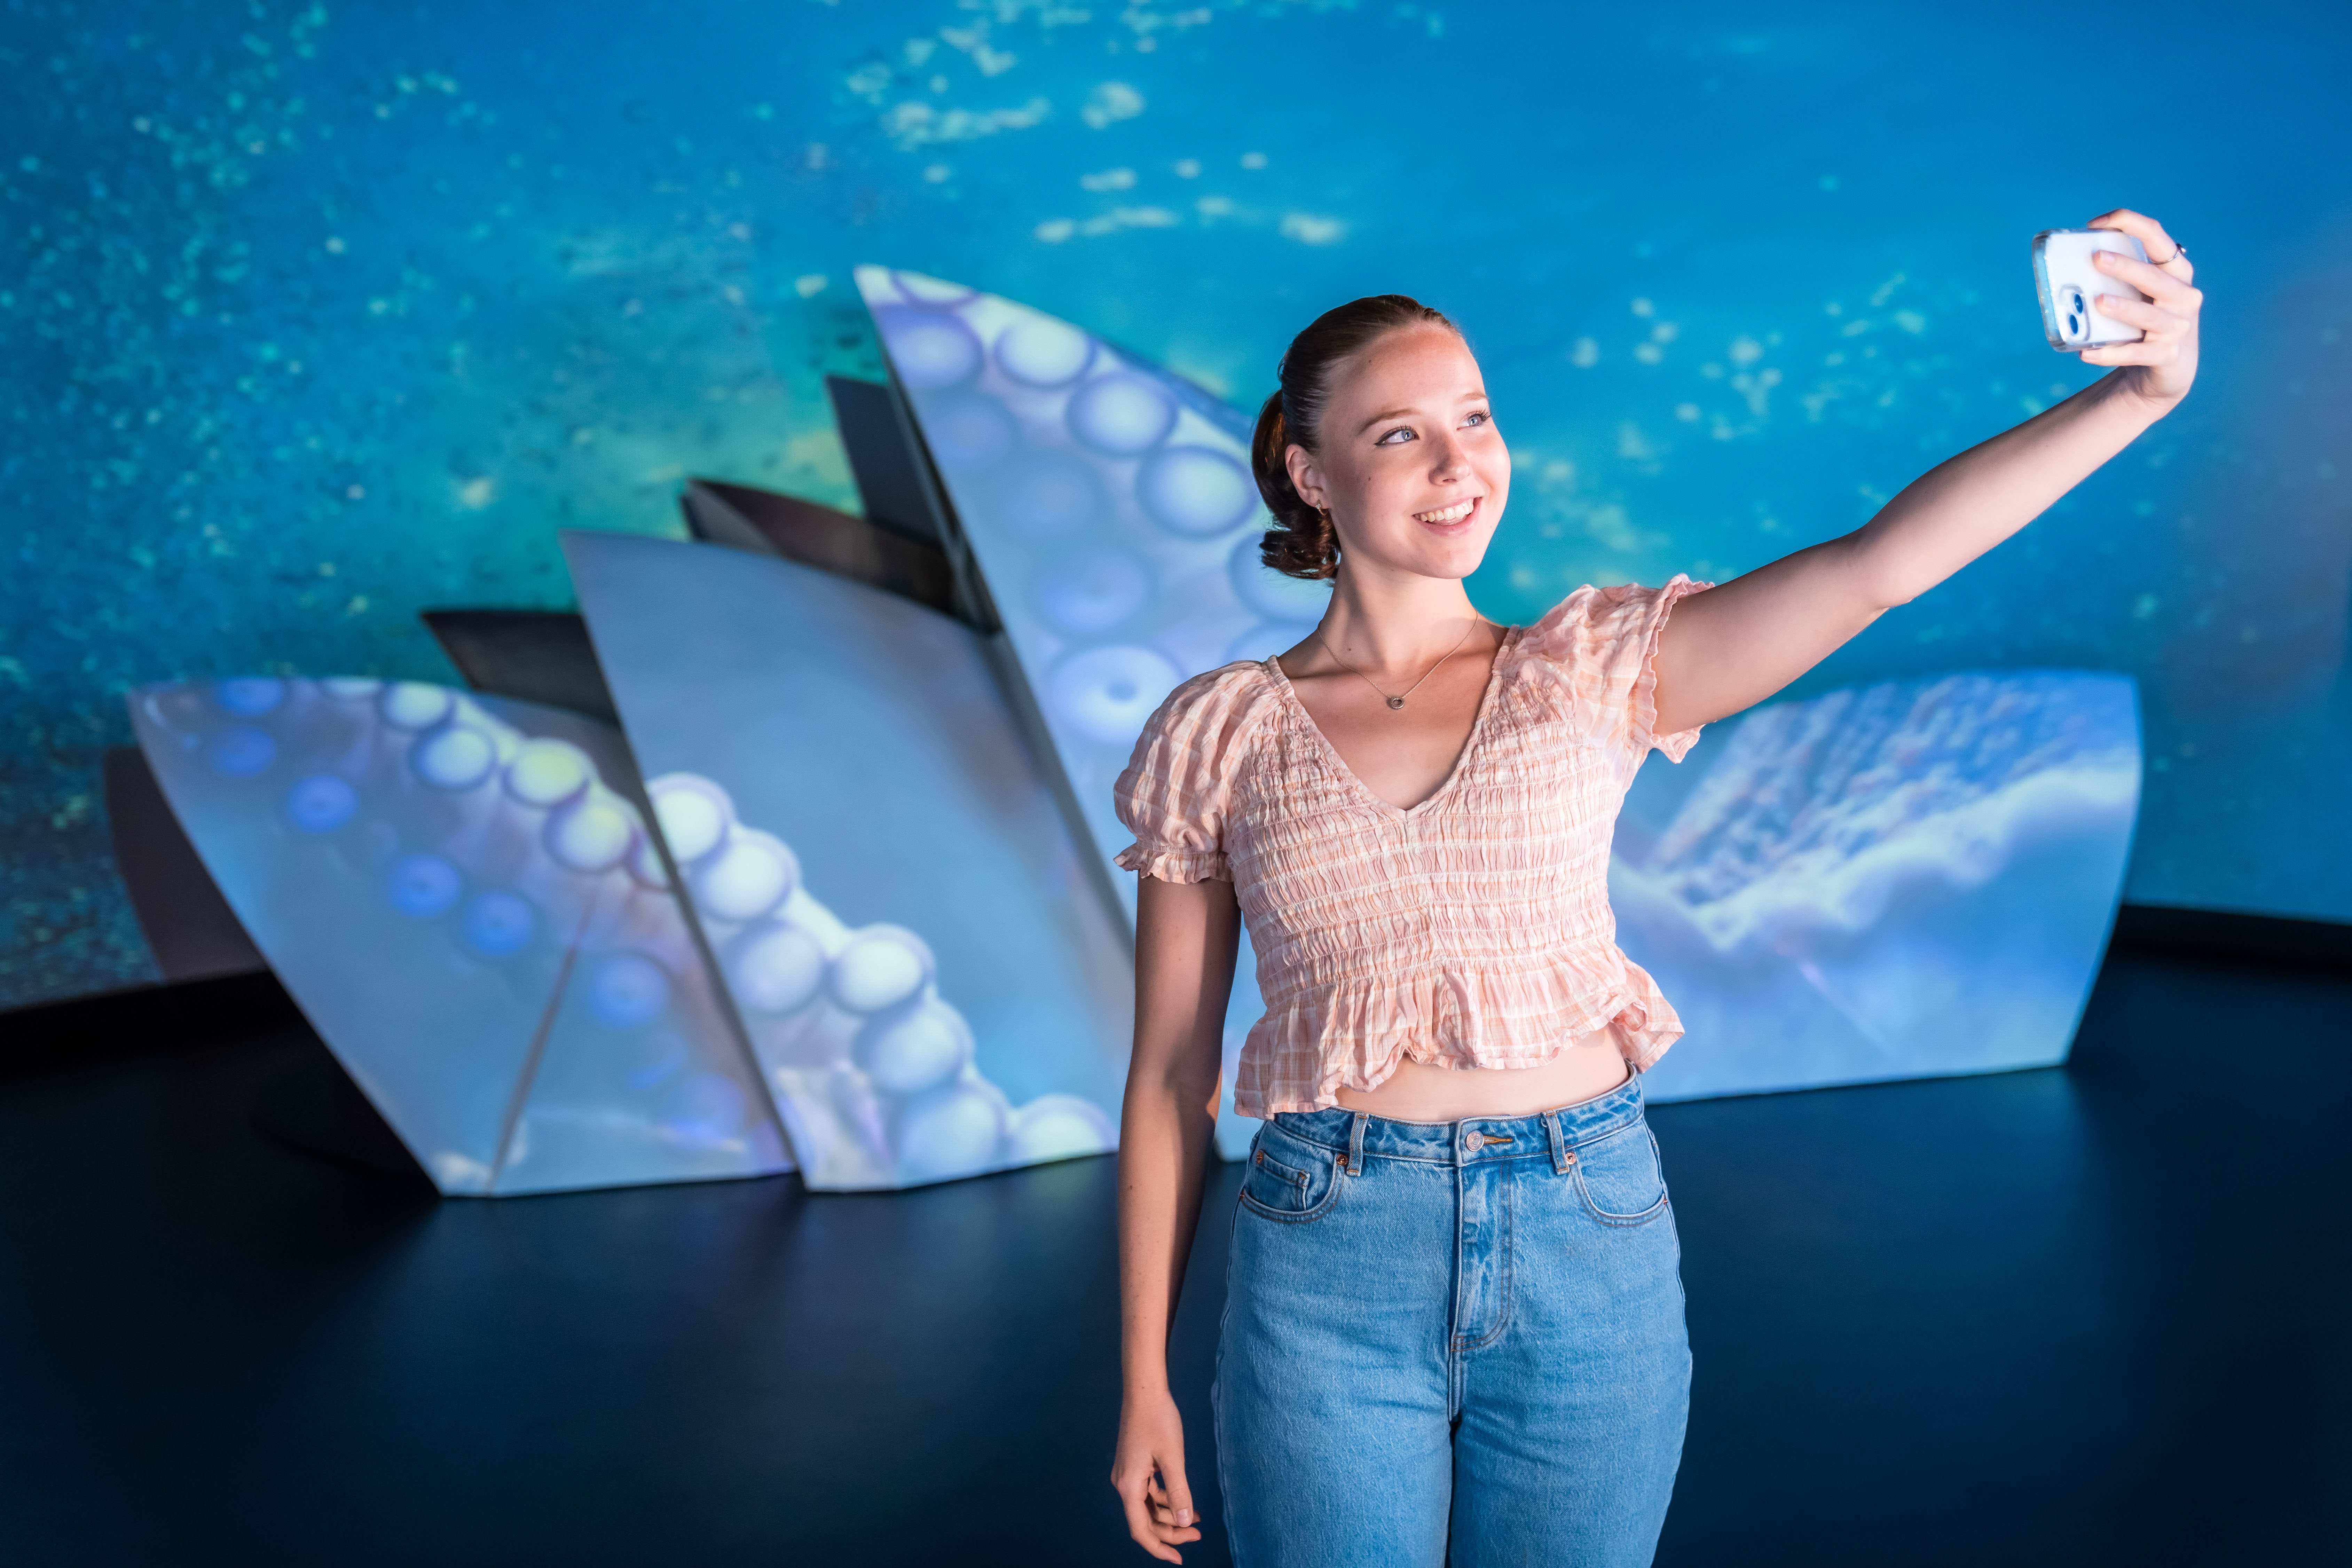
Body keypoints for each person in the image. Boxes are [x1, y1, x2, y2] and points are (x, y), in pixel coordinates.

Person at [1109, 211, 2201, 1565]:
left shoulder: (1594, 663)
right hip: (1326, 1250)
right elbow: (1166, 1072)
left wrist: (2132, 398)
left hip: (1590, 1229)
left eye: (1476, 416)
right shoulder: (1217, 729)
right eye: (1400, 434)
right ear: (1310, 473)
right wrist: (1142, 1377)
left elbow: (1878, 566)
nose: (1460, 463)